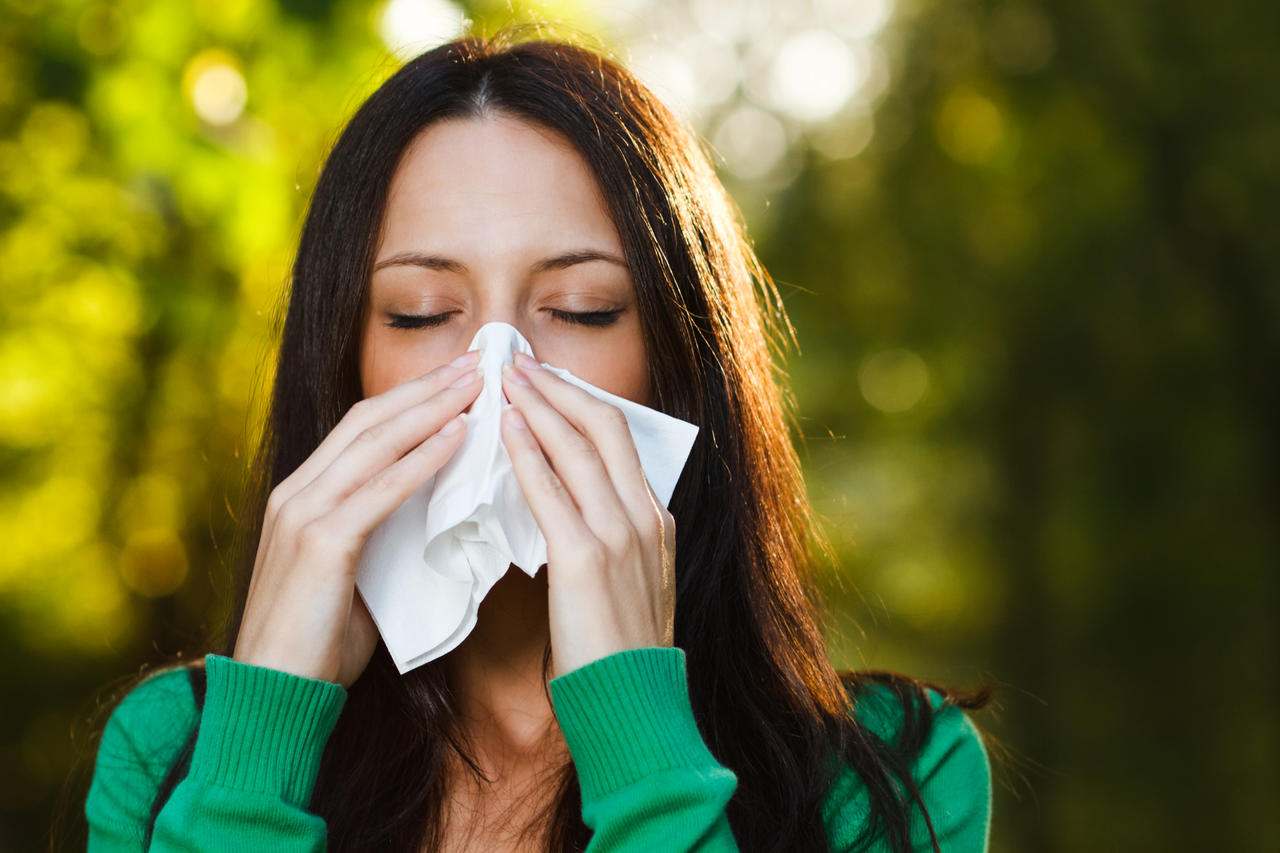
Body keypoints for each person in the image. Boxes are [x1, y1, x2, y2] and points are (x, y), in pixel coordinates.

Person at [82, 30, 995, 853]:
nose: (497, 365)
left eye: (579, 309)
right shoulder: (170, 754)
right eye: (423, 312)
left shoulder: (890, 775)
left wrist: (638, 735)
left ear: (675, 358)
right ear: (346, 359)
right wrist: (260, 744)